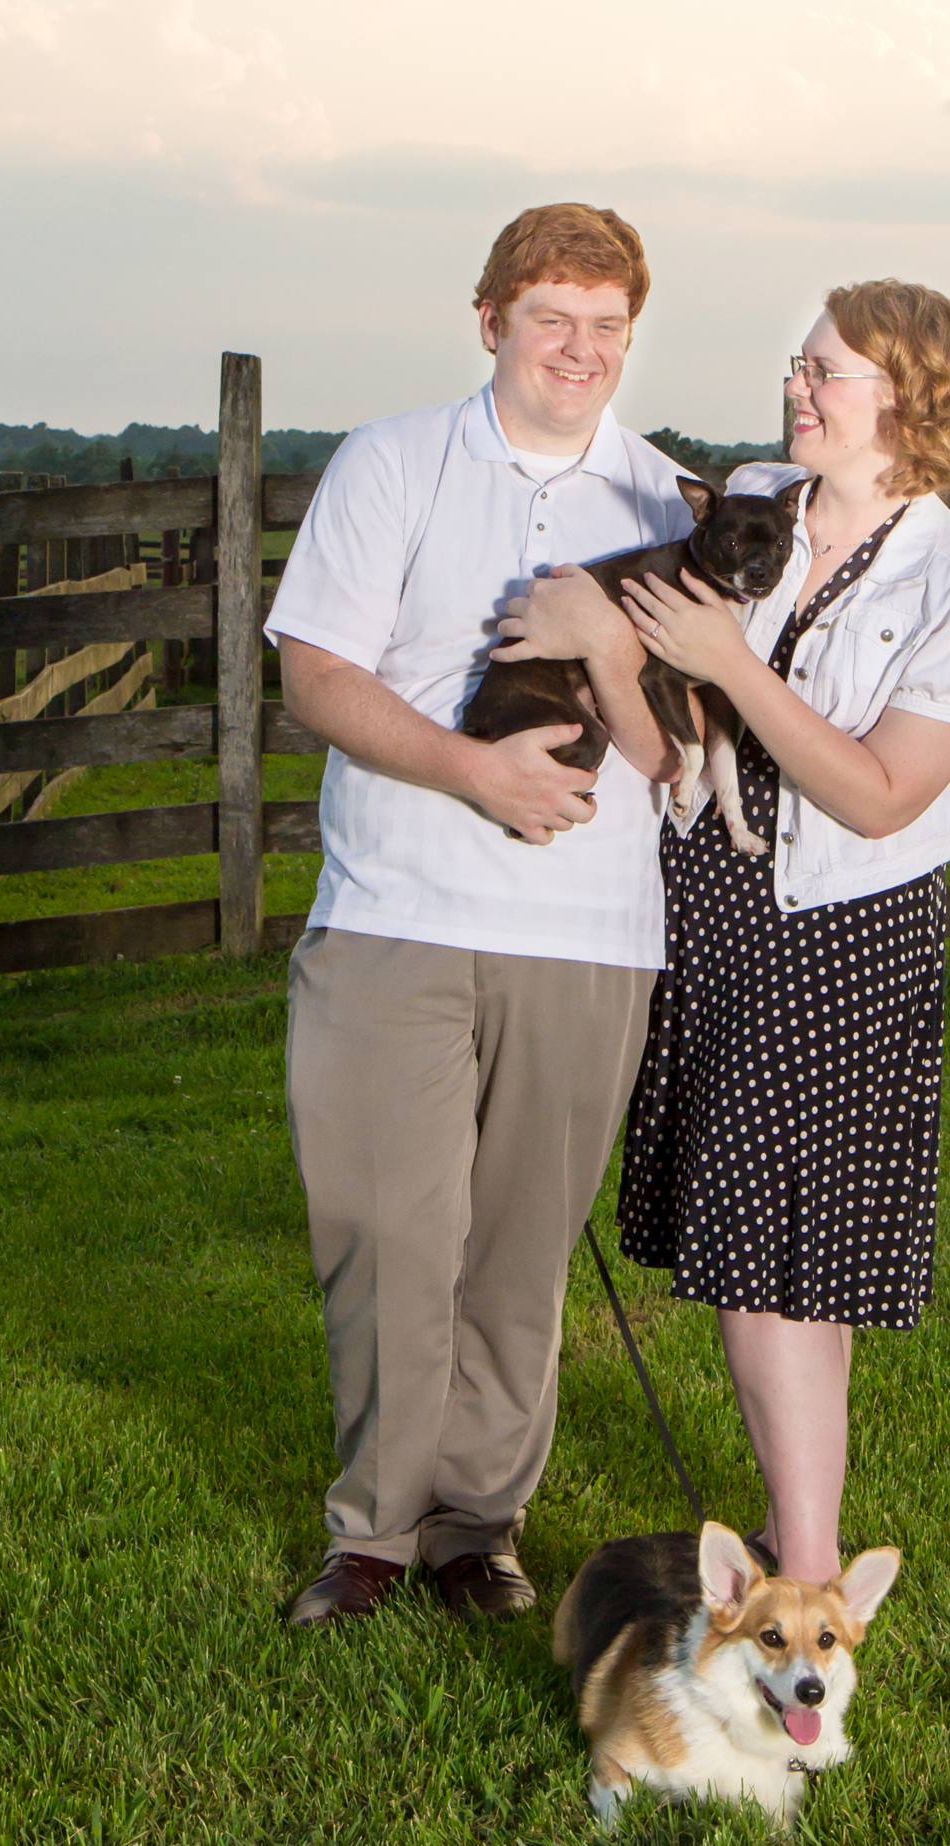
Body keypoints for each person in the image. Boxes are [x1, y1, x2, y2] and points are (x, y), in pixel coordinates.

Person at [267, 204, 696, 1624]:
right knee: (389, 1226)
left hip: (589, 933)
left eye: (606, 327)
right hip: (396, 904)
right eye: (550, 318)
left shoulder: (668, 504)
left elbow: (691, 745)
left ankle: (479, 1523)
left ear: (632, 337)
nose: (579, 350)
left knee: (520, 1245)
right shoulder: (394, 462)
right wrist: (471, 769)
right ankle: (373, 1531)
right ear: (491, 318)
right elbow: (316, 674)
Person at [614, 279, 950, 1584]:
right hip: (719, 902)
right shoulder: (752, 495)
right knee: (781, 1251)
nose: (798, 387)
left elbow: (883, 790)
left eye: (827, 371)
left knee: (777, 1249)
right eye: (799, 363)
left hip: (842, 929)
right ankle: (807, 1541)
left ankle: (804, 1563)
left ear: (909, 397)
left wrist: (734, 663)